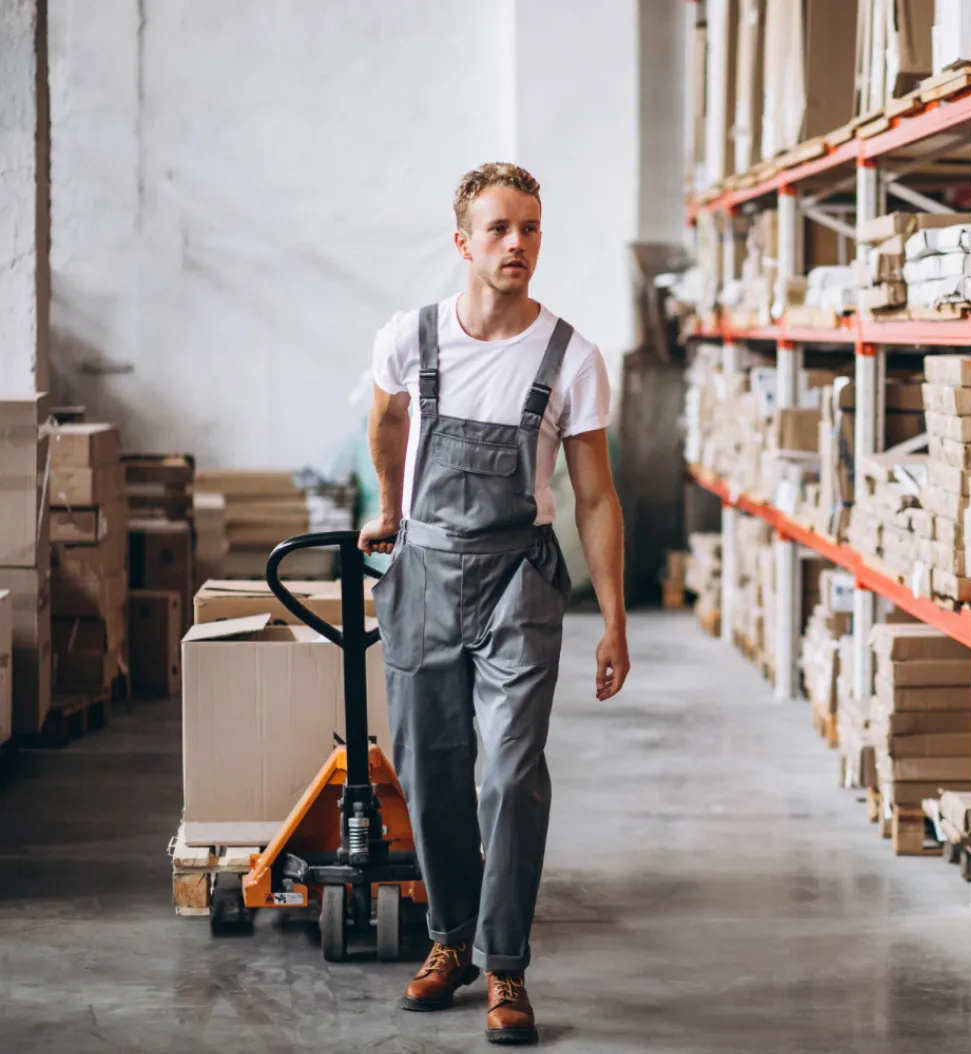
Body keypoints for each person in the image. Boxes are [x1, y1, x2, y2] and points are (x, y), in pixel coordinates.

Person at [359, 162, 630, 1045]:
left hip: (521, 581)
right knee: (430, 768)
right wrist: (391, 511)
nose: (518, 245)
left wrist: (615, 620)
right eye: (500, 229)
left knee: (510, 775)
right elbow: (386, 421)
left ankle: (505, 965)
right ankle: (449, 944)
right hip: (424, 575)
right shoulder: (413, 337)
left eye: (531, 229)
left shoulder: (570, 357)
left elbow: (595, 497)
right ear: (463, 241)